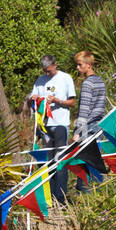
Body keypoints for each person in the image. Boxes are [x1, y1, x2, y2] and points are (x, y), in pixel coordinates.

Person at [26, 54, 75, 206]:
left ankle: (61, 198)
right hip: (45, 127)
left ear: (55, 65)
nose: (46, 74)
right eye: (44, 71)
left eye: (49, 71)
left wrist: (57, 101)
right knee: (48, 161)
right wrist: (32, 98)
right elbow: (30, 101)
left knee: (59, 160)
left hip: (60, 124)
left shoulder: (65, 78)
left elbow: (72, 102)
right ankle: (50, 198)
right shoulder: (40, 81)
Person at [72, 50, 108, 194]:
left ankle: (88, 195)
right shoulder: (100, 81)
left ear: (88, 65)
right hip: (98, 126)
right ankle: (99, 193)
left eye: (80, 65)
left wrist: (77, 132)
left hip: (87, 127)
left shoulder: (87, 84)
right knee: (94, 161)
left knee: (85, 165)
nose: (77, 68)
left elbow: (84, 110)